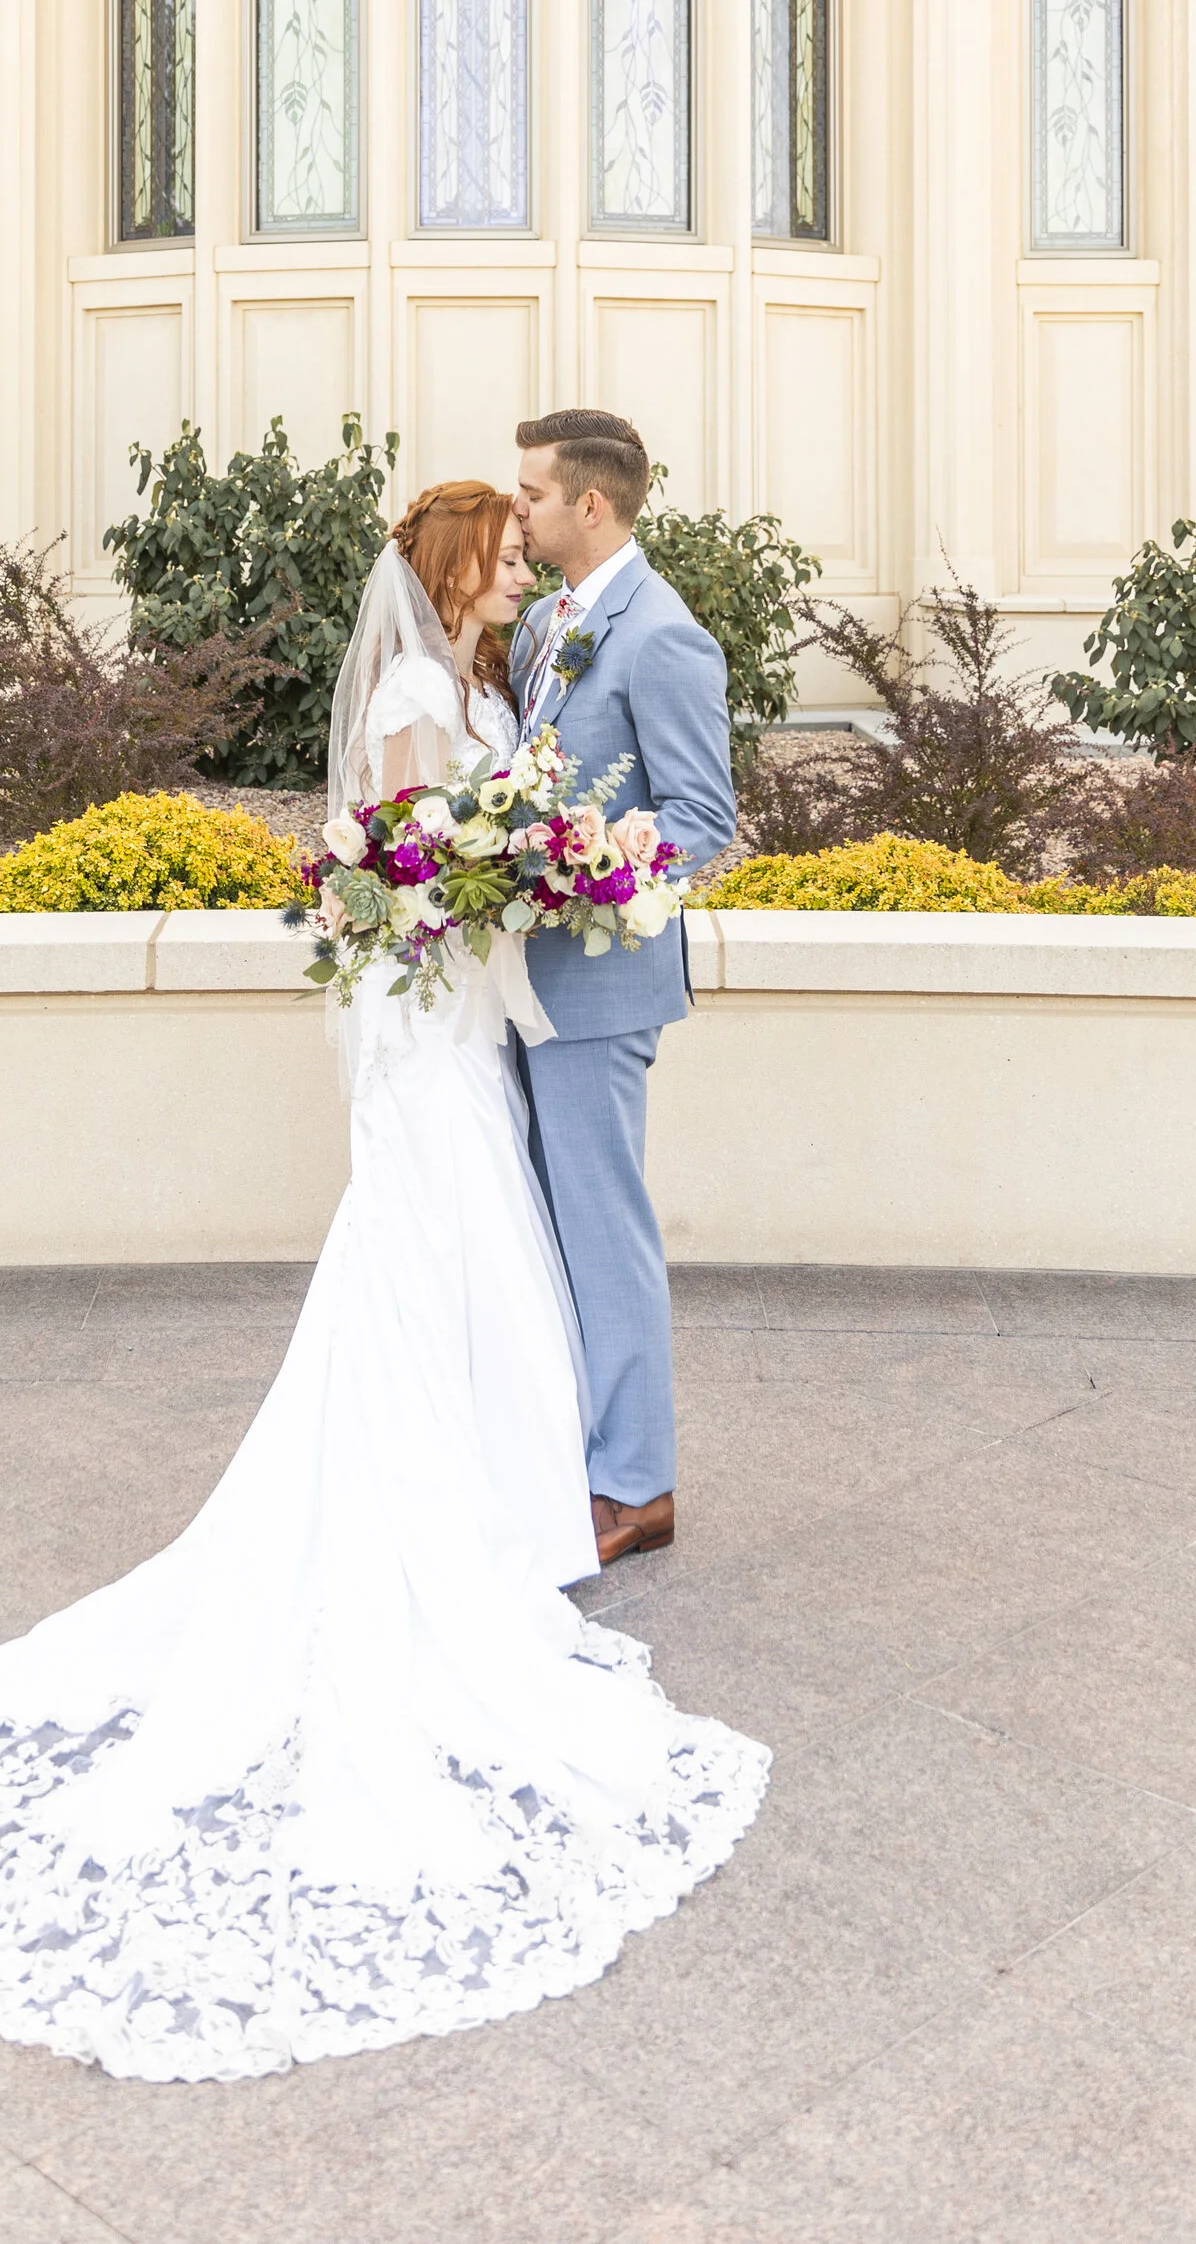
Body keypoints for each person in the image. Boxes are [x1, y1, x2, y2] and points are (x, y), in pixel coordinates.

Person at [0, 478, 765, 2084]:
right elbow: (394, 867)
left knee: (503, 1241)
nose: (521, 554)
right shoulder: (420, 694)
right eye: (502, 542)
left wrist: (544, 866)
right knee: (444, 1239)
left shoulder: (508, 663)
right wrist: (504, 871)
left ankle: (545, 1482)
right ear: (460, 568)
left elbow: (585, 821)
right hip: (440, 1019)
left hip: (494, 1010)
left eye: (534, 522)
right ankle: (496, 1491)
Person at [509, 410, 740, 1568]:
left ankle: (638, 1487)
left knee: (605, 1235)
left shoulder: (661, 636)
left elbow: (702, 818)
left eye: (531, 494)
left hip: (600, 986)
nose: (518, 511)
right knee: (549, 1232)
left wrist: (584, 868)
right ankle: (573, 1450)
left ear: (587, 505)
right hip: (527, 979)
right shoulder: (546, 622)